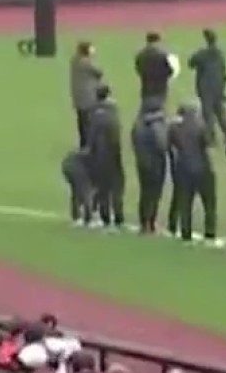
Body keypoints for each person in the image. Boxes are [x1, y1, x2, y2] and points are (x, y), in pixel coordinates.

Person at [167, 106, 217, 244]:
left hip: (183, 169)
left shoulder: (174, 128)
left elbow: (169, 146)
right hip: (202, 169)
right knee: (209, 203)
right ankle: (210, 233)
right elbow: (208, 145)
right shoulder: (201, 127)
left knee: (185, 203)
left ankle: (185, 232)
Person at [86, 85, 126, 229]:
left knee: (103, 189)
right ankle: (119, 217)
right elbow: (116, 134)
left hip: (98, 155)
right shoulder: (113, 112)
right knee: (117, 187)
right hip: (113, 153)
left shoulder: (93, 112)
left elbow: (90, 136)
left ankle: (105, 217)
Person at [130, 107, 169, 235]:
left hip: (142, 163)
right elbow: (162, 145)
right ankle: (151, 223)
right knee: (154, 194)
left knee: (144, 193)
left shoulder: (137, 126)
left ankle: (143, 223)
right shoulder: (156, 127)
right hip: (155, 163)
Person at [187, 30, 226, 137]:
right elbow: (224, 72)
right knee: (220, 112)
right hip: (218, 87)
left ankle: (210, 138)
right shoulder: (220, 54)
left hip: (206, 87)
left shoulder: (202, 54)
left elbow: (191, 63)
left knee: (208, 114)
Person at [69, 42, 103, 149]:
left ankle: (83, 143)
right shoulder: (86, 62)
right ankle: (89, 144)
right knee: (89, 121)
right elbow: (99, 72)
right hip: (88, 96)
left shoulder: (74, 61)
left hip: (77, 95)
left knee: (81, 120)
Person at [133, 32, 175, 116]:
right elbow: (170, 70)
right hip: (161, 87)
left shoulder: (141, 54)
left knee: (145, 110)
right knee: (161, 110)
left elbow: (138, 69)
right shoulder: (164, 54)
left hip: (146, 87)